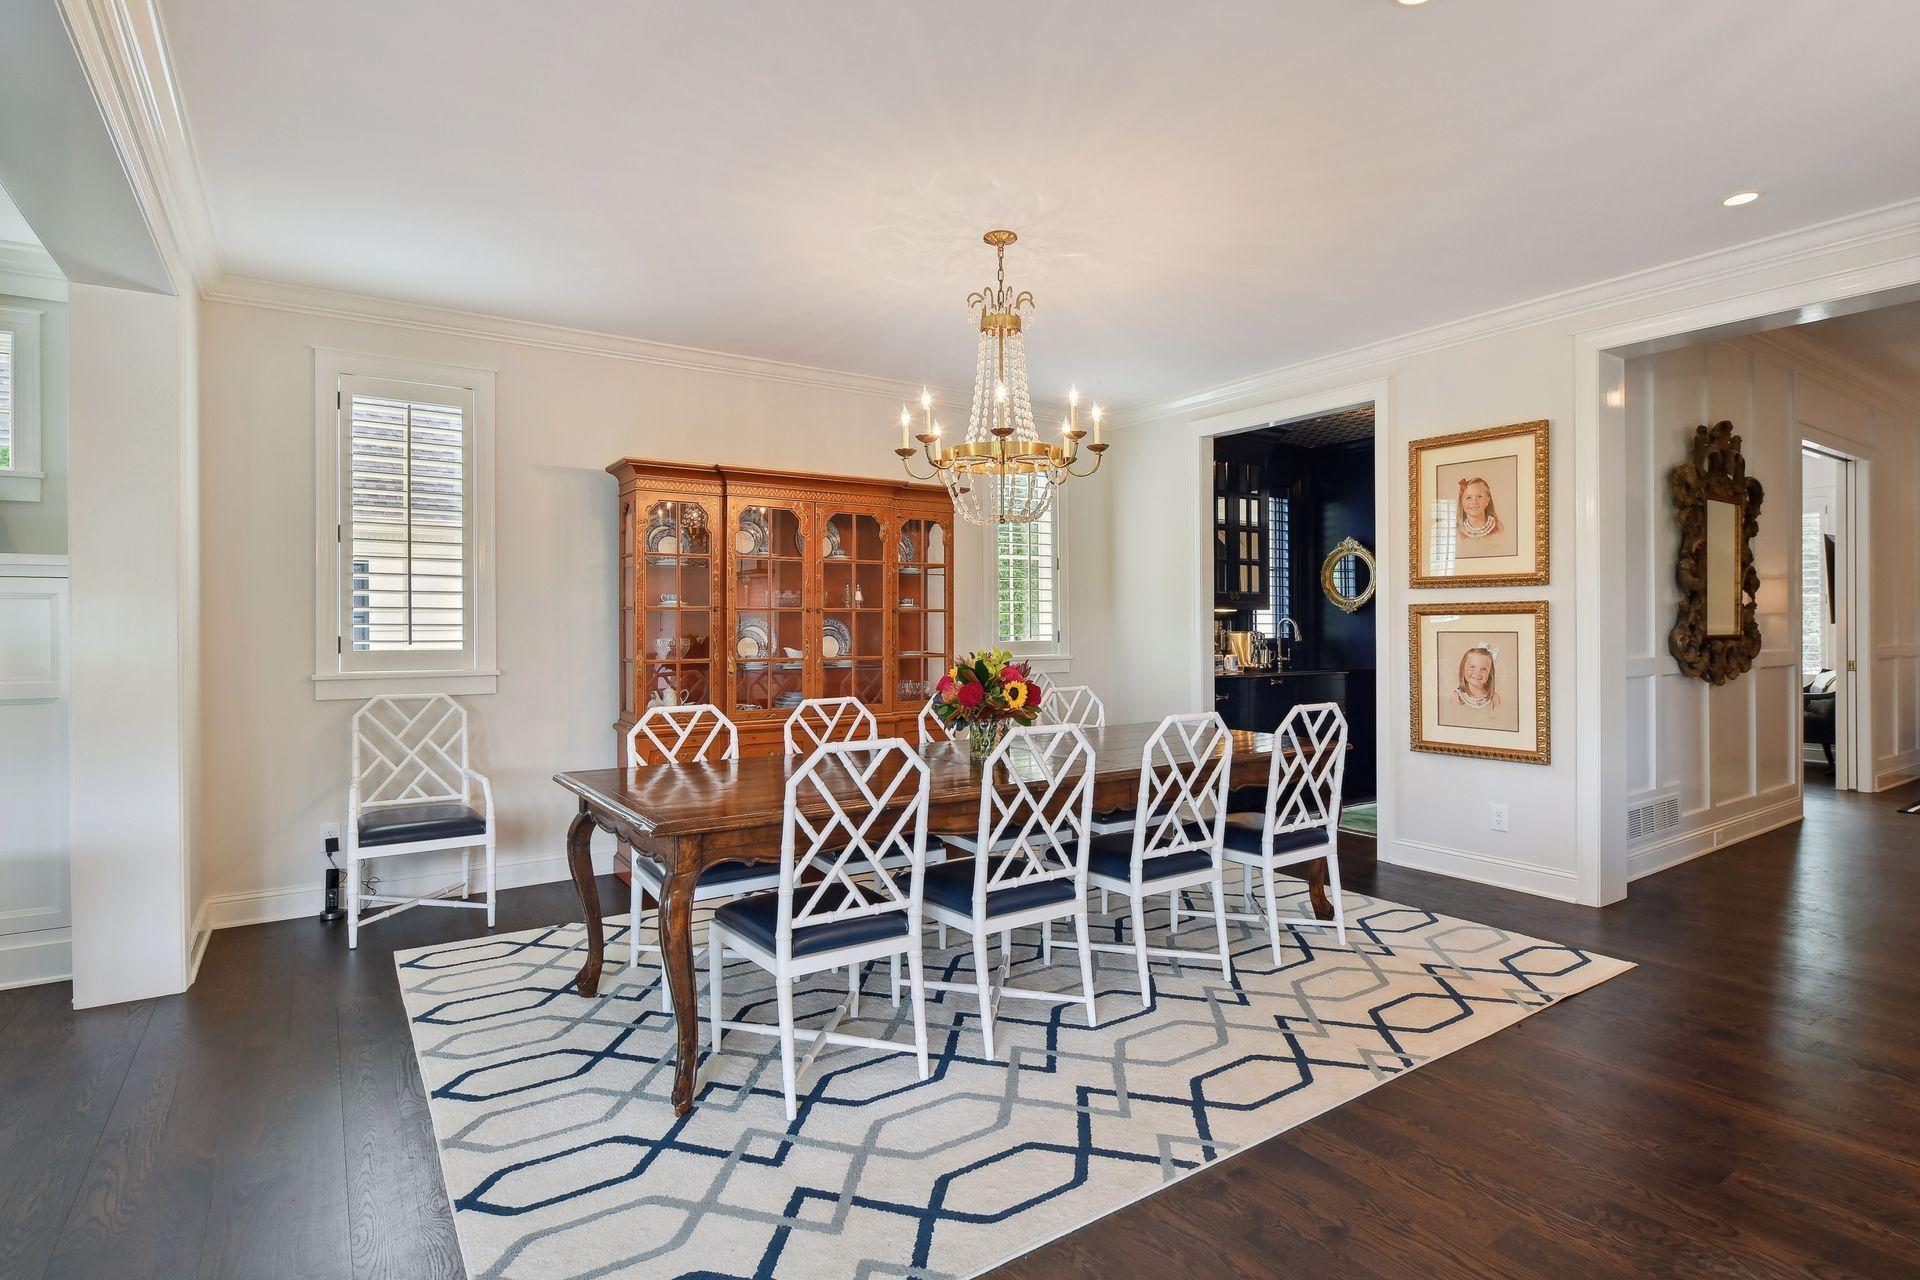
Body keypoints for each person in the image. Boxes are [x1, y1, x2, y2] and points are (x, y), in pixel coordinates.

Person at [1452, 644, 1503, 725]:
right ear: (1463, 668)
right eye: (1472, 666)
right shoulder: (1457, 697)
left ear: (1490, 674)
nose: (1477, 672)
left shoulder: (1494, 698)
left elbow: (1499, 723)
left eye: (1483, 669)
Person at [1455, 476, 1502, 552]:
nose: (1474, 502)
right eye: (1468, 497)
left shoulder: (1497, 527)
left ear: (1487, 500)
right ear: (1461, 502)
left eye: (1479, 496)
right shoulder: (1457, 532)